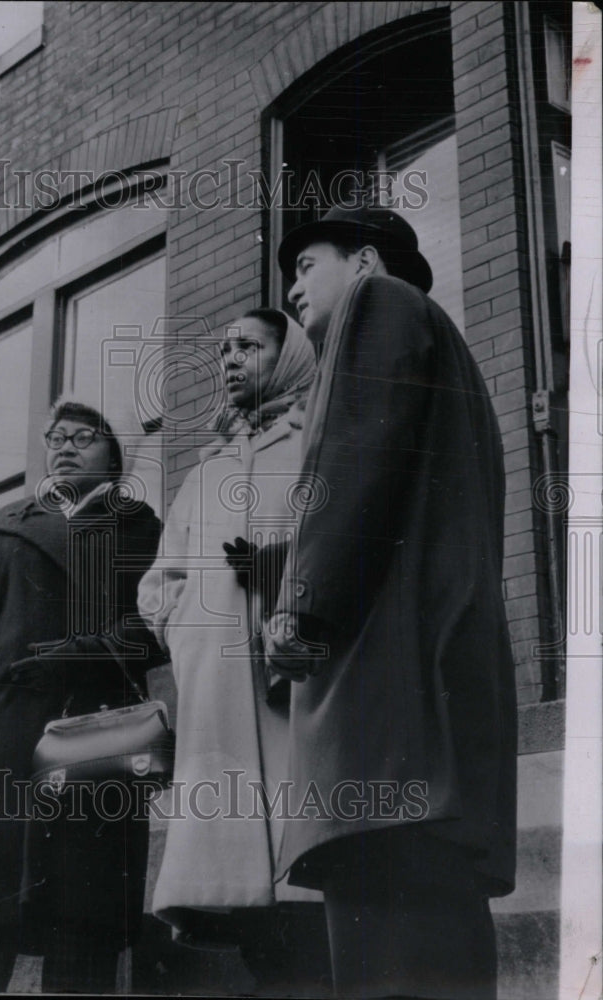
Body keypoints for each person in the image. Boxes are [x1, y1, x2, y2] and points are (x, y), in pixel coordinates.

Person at [266, 205, 517, 1000]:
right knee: (434, 940)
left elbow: (353, 461)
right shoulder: (447, 350)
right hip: (426, 697)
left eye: (306, 266)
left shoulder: (382, 307)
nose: (292, 291)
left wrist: (298, 608)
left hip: (386, 695)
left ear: (365, 261)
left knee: (385, 950)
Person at [0, 398, 162, 994]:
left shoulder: (143, 530)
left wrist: (85, 651)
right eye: (57, 436)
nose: (66, 446)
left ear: (114, 456)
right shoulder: (4, 529)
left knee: (84, 919)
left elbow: (162, 621)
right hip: (5, 733)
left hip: (99, 732)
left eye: (84, 437)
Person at [137, 309, 331, 996]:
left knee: (299, 865)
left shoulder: (318, 442)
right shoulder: (208, 464)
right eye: (222, 348)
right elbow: (163, 574)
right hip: (216, 690)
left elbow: (341, 547)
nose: (228, 358)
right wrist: (181, 621)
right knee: (232, 870)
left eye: (247, 346)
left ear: (288, 357)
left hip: (294, 683)